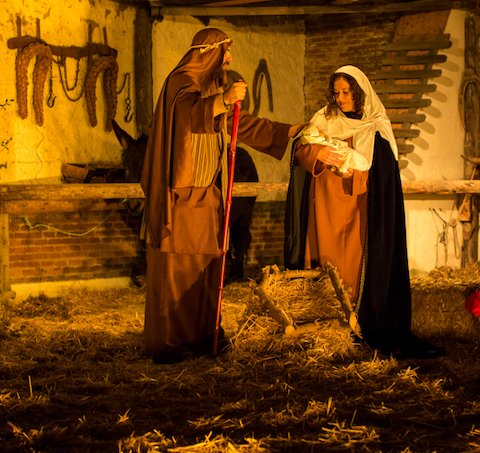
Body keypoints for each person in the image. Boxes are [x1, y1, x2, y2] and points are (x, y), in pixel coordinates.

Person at [141, 28, 305, 364]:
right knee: (180, 269)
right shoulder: (181, 82)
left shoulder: (211, 89)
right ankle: (172, 342)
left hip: (207, 195)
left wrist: (287, 131)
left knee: (207, 269)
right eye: (226, 52)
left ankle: (204, 336)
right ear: (210, 51)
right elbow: (188, 114)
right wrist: (222, 100)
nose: (229, 58)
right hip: (180, 196)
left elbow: (237, 124)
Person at [284, 65, 444, 359]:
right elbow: (301, 149)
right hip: (325, 208)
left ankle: (357, 324)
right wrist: (318, 154)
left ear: (360, 92)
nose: (341, 98)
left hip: (360, 211)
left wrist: (354, 170)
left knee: (355, 268)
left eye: (347, 92)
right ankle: (325, 324)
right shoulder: (324, 118)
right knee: (326, 262)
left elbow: (382, 173)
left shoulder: (376, 125)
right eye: (337, 92)